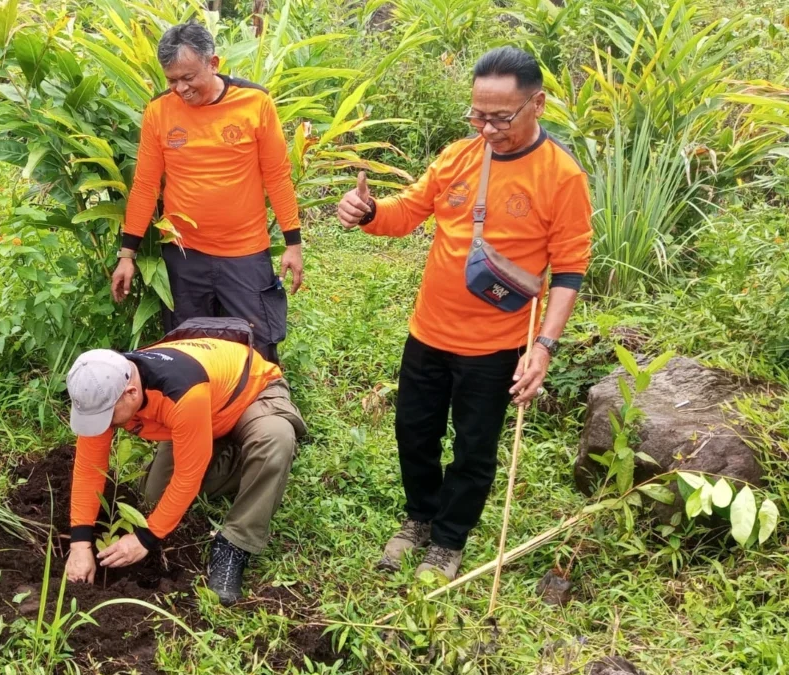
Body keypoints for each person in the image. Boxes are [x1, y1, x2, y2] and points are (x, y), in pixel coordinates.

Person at [336, 47, 592, 581]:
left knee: (475, 448)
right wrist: (368, 212)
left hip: (497, 345)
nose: (488, 129)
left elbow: (569, 269)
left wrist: (542, 347)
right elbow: (407, 211)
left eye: (501, 117)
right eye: (478, 115)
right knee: (414, 432)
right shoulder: (458, 156)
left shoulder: (561, 176)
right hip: (428, 332)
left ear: (537, 104)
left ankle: (449, 541)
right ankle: (419, 518)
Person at [62, 325, 307, 606]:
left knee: (274, 440)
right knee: (154, 496)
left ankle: (235, 543)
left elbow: (187, 477)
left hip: (250, 395)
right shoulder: (103, 389)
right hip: (200, 418)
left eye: (108, 416)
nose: (102, 425)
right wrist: (79, 543)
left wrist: (145, 538)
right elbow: (88, 468)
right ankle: (241, 459)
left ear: (131, 392)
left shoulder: (180, 391)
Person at [111, 22, 304, 364]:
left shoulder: (254, 102)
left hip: (245, 253)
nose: (180, 89)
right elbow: (145, 185)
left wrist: (293, 243)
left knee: (256, 349)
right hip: (185, 256)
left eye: (188, 78)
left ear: (213, 63)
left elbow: (277, 175)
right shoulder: (159, 111)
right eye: (172, 80)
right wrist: (127, 254)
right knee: (187, 351)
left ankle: (259, 415)